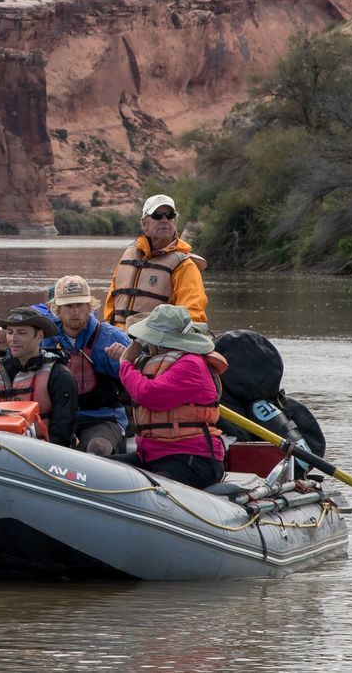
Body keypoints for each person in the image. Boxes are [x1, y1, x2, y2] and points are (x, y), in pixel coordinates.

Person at [107, 303, 228, 488]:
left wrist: (125, 362)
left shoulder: (191, 365)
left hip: (192, 459)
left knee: (152, 489)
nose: (145, 343)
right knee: (104, 467)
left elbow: (147, 394)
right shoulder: (158, 362)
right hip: (154, 454)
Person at [0, 307, 77, 447]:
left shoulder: (60, 376)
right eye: (10, 332)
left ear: (39, 336)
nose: (14, 339)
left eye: (22, 333)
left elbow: (61, 436)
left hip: (41, 452)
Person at [43, 275, 133, 455]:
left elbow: (144, 377)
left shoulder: (113, 337)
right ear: (57, 309)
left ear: (89, 307)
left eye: (80, 305)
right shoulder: (43, 337)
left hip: (103, 418)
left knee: (97, 448)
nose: (74, 311)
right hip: (57, 418)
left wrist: (126, 360)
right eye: (68, 306)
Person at [103, 194, 208, 330]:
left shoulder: (184, 266)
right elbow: (110, 306)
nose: (164, 220)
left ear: (175, 223)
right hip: (117, 339)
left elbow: (193, 314)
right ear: (145, 224)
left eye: (170, 216)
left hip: (156, 343)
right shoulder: (128, 257)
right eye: (157, 216)